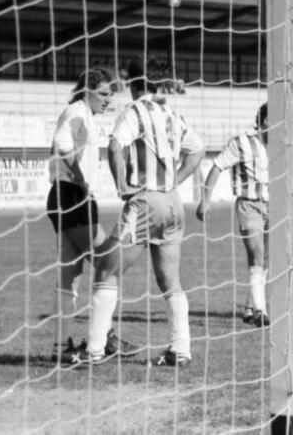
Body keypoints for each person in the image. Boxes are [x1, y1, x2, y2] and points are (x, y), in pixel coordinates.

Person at [72, 57, 204, 366]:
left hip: (145, 203)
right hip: (173, 203)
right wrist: (174, 182)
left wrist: (121, 185)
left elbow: (116, 145)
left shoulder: (134, 111)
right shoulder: (173, 114)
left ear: (134, 83)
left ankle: (93, 350)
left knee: (106, 268)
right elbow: (197, 150)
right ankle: (181, 350)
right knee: (170, 279)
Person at [46, 67, 132, 362]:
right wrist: (82, 179)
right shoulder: (77, 112)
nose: (109, 100)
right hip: (73, 195)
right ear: (87, 90)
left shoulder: (84, 114)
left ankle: (63, 345)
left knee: (70, 273)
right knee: (108, 260)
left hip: (64, 195)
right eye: (104, 93)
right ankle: (104, 340)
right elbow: (62, 144)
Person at [195, 103, 270, 328]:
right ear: (265, 120)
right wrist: (206, 200)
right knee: (256, 254)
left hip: (275, 206)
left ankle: (249, 307)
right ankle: (260, 310)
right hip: (249, 206)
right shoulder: (241, 143)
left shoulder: (281, 142)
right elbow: (217, 167)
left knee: (267, 259)